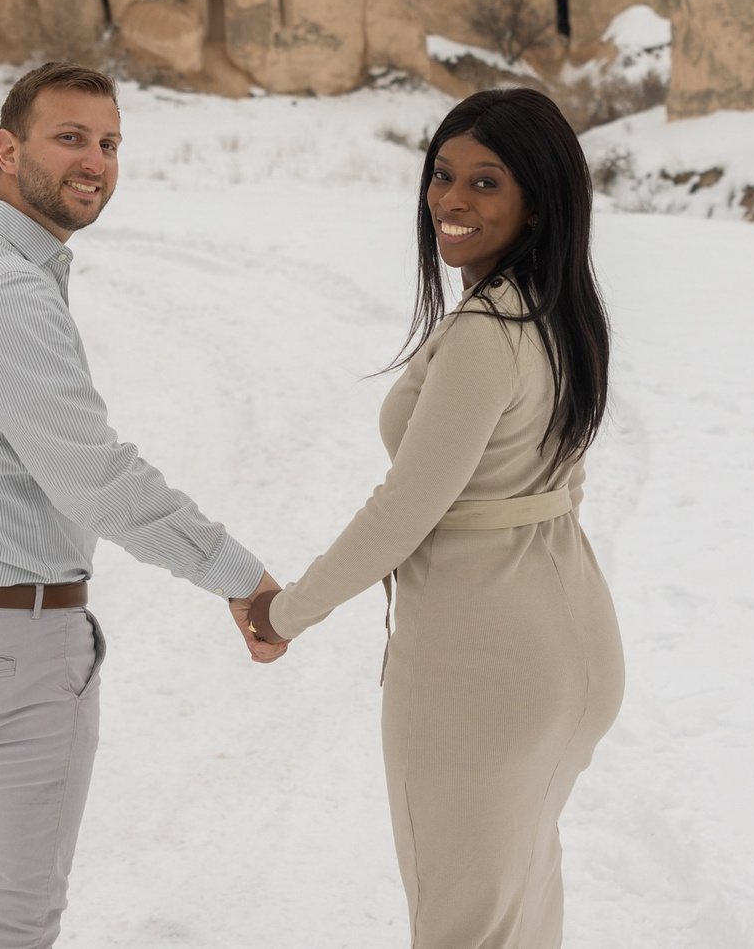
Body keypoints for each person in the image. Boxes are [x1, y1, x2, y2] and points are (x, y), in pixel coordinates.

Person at [0, 62, 278, 949]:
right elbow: (95, 476)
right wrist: (240, 576)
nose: (95, 161)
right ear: (7, 150)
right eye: (70, 137)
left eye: (109, 142)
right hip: (1, 644)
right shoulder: (4, 289)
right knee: (14, 914)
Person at [242, 87, 626, 949]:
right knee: (522, 909)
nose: (452, 199)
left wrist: (283, 613)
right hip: (576, 646)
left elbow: (403, 511)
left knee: (462, 927)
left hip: (483, 668)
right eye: (443, 174)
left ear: (537, 201)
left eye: (487, 181)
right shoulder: (560, 312)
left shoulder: (487, 332)